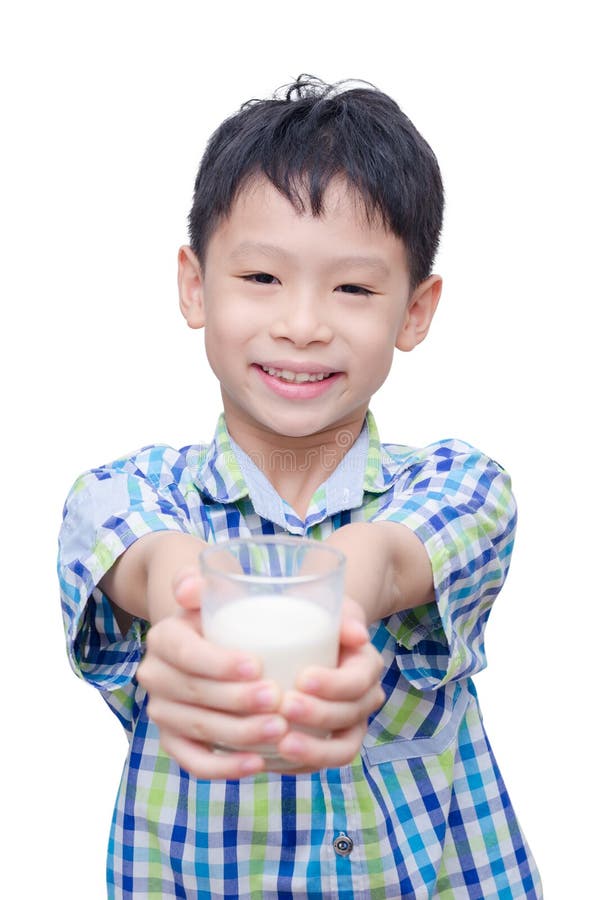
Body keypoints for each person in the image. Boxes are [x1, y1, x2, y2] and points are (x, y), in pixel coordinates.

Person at [58, 76, 542, 898]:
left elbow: (385, 562)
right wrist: (197, 618)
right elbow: (153, 566)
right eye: (261, 278)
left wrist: (329, 611)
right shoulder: (123, 493)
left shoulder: (463, 486)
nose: (304, 323)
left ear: (416, 311)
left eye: (353, 288)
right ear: (193, 284)